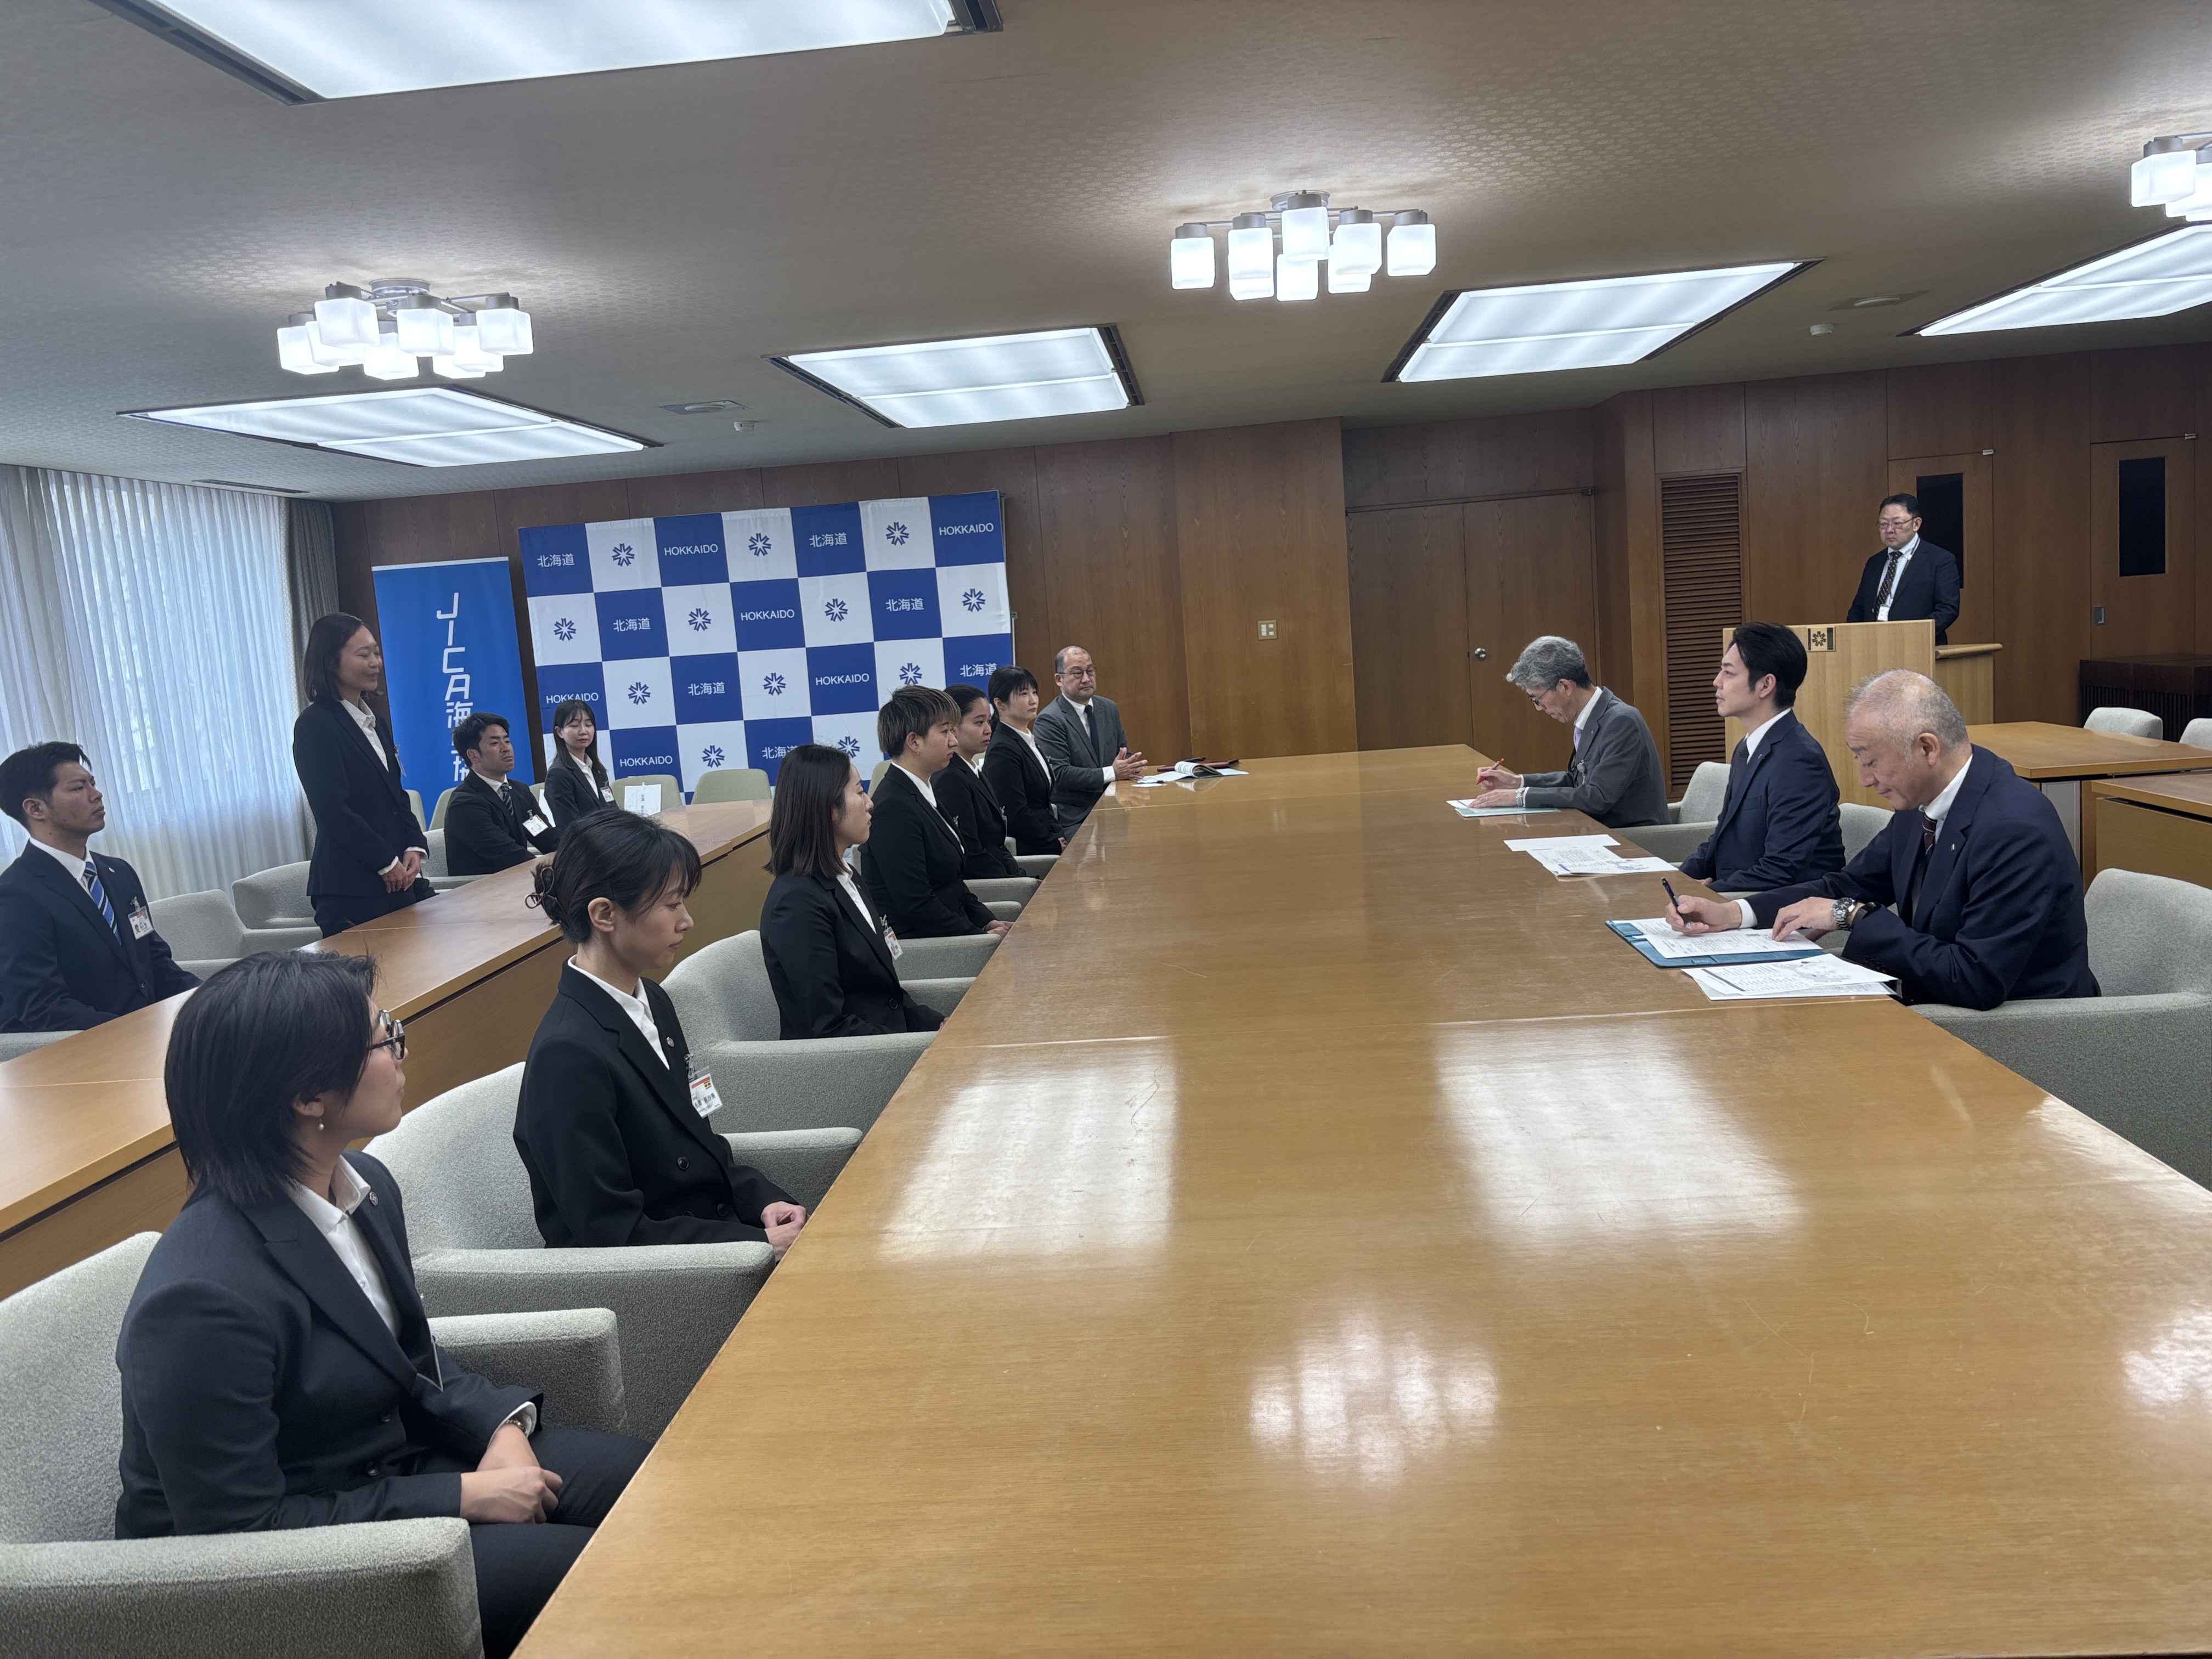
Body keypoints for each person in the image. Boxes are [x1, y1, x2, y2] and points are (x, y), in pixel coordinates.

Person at [114, 951, 648, 1659]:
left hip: (395, 1468)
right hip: (295, 1570)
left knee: (659, 1489)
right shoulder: (202, 1299)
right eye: (384, 1038)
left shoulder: (363, 1183)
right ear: (308, 1096)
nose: (402, 1053)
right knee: (611, 1575)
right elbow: (239, 1536)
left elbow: (409, 1356)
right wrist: (464, 1498)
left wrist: (500, 1428)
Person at [1668, 670, 2097, 1009]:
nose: (1864, 779)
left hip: (2019, 1036)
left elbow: (1974, 979)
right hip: (1934, 1004)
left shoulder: (2013, 829)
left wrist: (1853, 916)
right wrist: (1734, 914)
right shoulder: (1922, 801)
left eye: (1871, 761)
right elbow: (1844, 885)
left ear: (1927, 748)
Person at [515, 810, 807, 1254]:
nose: (686, 921)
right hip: (663, 1278)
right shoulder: (567, 1054)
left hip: (715, 1242)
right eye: (672, 905)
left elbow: (700, 1144)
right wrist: (757, 1244)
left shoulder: (653, 999)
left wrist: (763, 1200)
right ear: (605, 914)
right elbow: (611, 1233)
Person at [0, 742, 198, 1032]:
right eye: (79, 788)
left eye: (92, 783)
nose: (97, 794)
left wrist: (210, 999)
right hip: (88, 1046)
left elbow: (155, 962)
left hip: (148, 1031)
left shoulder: (119, 872)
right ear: (35, 808)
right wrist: (134, 1033)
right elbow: (43, 1006)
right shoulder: (16, 895)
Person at [759, 743, 947, 1040]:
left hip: (889, 1039)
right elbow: (827, 1027)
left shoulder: (845, 877)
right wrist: (917, 1042)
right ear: (830, 809)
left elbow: (884, 994)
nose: (870, 803)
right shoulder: (797, 904)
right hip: (856, 1059)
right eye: (860, 792)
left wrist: (938, 1024)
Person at [292, 613, 433, 938]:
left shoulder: (376, 723)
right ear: (331, 662)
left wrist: (414, 845)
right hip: (351, 886)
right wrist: (384, 860)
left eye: (377, 653)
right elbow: (332, 809)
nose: (375, 663)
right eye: (363, 655)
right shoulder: (315, 724)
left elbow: (396, 796)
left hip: (398, 880)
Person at [1678, 623, 1844, 891]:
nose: (1717, 682)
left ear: (1766, 685)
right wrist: (1677, 881)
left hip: (1783, 907)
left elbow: (1781, 869)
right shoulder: (1747, 748)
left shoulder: (1799, 761)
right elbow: (1723, 837)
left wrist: (1707, 894)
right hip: (1738, 895)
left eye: (1729, 673)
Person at [860, 686, 1012, 940]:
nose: (954, 741)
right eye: (945, 732)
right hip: (929, 946)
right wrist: (978, 936)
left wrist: (987, 922)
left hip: (955, 932)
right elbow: (917, 905)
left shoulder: (922, 790)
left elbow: (952, 884)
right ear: (914, 742)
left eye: (953, 731)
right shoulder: (893, 807)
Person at [1470, 635, 1667, 828]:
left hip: (1635, 837)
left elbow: (1598, 797)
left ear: (1565, 686)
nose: (1539, 708)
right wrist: (1518, 783)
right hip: (1599, 830)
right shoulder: (1594, 716)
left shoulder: (1621, 722)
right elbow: (1576, 781)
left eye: (1537, 699)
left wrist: (1520, 797)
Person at [1035, 645, 1146, 839]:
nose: (1086, 679)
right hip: (1077, 818)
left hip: (1115, 808)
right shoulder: (1050, 719)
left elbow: (1122, 754)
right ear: (1059, 679)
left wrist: (1130, 766)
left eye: (1090, 671)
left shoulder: (1108, 708)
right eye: (1077, 673)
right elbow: (1060, 774)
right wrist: (1113, 772)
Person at [444, 712, 557, 877]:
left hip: (520, 878)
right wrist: (550, 869)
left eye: (507, 741)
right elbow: (507, 854)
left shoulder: (519, 791)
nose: (506, 748)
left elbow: (544, 836)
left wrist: (574, 856)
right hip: (484, 887)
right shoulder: (465, 803)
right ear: (473, 755)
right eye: (495, 743)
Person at [932, 683, 1026, 881]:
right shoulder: (950, 779)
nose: (988, 730)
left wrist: (1022, 877)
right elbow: (972, 855)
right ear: (953, 728)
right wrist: (1017, 884)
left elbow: (997, 845)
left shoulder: (973, 770)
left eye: (989, 721)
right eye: (979, 722)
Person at [1846, 493, 1961, 644]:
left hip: (1918, 645)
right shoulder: (1874, 562)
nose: (1889, 530)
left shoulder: (1940, 560)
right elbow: (1859, 609)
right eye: (1884, 524)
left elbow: (1947, 609)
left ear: (1916, 524)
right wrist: (1855, 638)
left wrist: (1911, 636)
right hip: (1874, 646)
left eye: (1897, 523)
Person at [981, 665, 1063, 855]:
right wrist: (1052, 843)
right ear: (1000, 703)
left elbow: (1042, 803)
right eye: (1024, 694)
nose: (1033, 700)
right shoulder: (1002, 749)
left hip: (1049, 835)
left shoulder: (1026, 738)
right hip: (1032, 847)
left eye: (1034, 692)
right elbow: (1016, 813)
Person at [541, 698, 616, 837]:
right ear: (560, 732)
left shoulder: (597, 769)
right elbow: (571, 827)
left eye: (588, 725)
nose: (583, 731)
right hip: (586, 845)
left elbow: (613, 810)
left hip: (612, 839)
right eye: (575, 726)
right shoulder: (558, 775)